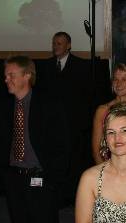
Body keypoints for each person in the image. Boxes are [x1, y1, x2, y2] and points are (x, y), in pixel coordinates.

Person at [0, 56, 70, 223]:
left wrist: (53, 180)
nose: (6, 79)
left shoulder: (49, 104)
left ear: (27, 75)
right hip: (14, 180)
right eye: (5, 75)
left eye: (11, 74)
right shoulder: (4, 106)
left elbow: (62, 145)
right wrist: (4, 176)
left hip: (41, 180)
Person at [37, 31, 93, 206]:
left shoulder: (81, 65)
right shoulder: (45, 66)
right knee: (55, 162)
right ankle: (57, 196)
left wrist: (83, 123)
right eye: (54, 43)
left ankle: (73, 196)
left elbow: (87, 96)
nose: (56, 46)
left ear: (68, 45)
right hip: (52, 125)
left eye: (59, 43)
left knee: (74, 161)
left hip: (74, 124)